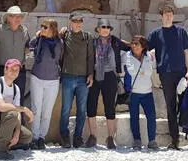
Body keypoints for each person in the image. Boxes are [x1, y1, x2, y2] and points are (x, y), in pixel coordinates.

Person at [147, 4, 188, 149]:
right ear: (161, 16)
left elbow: (186, 52)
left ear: (173, 16)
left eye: (170, 13)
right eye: (165, 13)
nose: (168, 16)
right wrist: (151, 54)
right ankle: (174, 140)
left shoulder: (181, 32)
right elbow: (146, 49)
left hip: (181, 73)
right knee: (171, 107)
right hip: (165, 74)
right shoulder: (155, 33)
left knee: (187, 105)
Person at [0, 59, 34, 160]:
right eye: (11, 69)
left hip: (1, 121)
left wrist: (16, 134)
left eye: (16, 70)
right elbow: (2, 107)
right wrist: (25, 109)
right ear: (5, 69)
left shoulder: (16, 89)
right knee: (11, 113)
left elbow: (17, 115)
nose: (14, 72)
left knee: (27, 136)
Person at [85, 18, 127, 149]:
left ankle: (110, 138)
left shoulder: (115, 41)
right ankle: (92, 136)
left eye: (108, 27)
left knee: (110, 107)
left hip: (110, 76)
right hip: (95, 74)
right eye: (103, 27)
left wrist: (149, 51)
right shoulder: (92, 42)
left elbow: (133, 46)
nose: (105, 29)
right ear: (98, 29)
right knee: (91, 106)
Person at [58, 12, 94, 148]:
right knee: (65, 109)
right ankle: (64, 136)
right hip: (67, 76)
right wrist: (60, 33)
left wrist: (90, 74)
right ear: (70, 22)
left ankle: (78, 137)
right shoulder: (65, 35)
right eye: (75, 21)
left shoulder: (87, 37)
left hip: (82, 78)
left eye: (80, 21)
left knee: (82, 109)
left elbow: (91, 57)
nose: (78, 23)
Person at [28, 19, 63, 150]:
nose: (42, 28)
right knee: (36, 109)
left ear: (53, 29)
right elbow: (28, 46)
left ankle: (42, 137)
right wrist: (37, 36)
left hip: (53, 80)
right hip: (37, 77)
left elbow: (60, 59)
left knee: (47, 111)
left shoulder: (60, 43)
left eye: (45, 27)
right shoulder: (37, 40)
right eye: (41, 26)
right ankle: (35, 137)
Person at [124, 35, 158, 150]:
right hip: (134, 93)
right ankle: (137, 140)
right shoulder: (127, 56)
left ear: (143, 46)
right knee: (134, 117)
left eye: (137, 44)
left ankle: (152, 140)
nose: (134, 46)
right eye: (133, 43)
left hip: (147, 93)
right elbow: (128, 71)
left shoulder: (149, 56)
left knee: (151, 116)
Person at [0, 6, 30, 106]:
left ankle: (19, 121)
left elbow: (27, 47)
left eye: (19, 16)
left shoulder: (25, 31)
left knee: (19, 97)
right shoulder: (0, 30)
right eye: (14, 16)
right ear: (8, 18)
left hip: (19, 71)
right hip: (2, 69)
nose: (18, 19)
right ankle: (0, 121)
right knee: (1, 99)